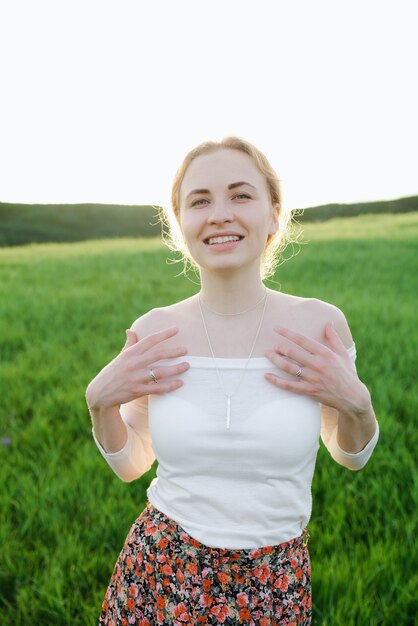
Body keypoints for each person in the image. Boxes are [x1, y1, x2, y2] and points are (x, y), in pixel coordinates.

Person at [85, 136, 379, 625]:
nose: (219, 213)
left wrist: (357, 405)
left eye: (241, 195)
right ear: (181, 224)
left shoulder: (318, 326)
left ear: (274, 213)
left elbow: (351, 454)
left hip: (272, 581)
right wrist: (100, 406)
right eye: (200, 201)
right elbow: (133, 463)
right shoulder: (156, 330)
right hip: (159, 572)